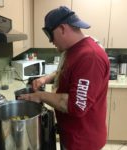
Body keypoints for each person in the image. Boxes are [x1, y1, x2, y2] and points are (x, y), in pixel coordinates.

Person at [18, 6, 110, 150]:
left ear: (62, 28)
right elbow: (66, 71)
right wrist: (45, 79)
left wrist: (41, 96)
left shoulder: (90, 57)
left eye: (50, 34)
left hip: (83, 142)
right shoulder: (74, 50)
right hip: (72, 134)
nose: (50, 41)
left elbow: (76, 105)